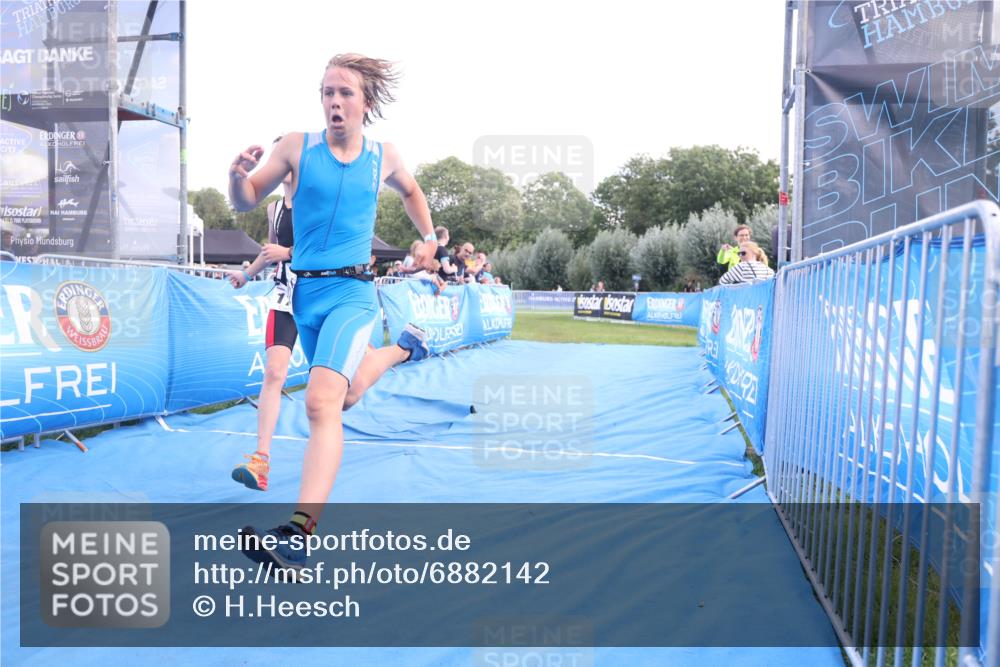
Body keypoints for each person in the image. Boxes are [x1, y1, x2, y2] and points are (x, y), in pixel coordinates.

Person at [228, 53, 439, 570]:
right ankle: (400, 349)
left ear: (365, 103)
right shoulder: (296, 147)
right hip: (305, 296)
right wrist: (236, 175)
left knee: (321, 402)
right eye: (327, 92)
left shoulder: (383, 156)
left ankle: (299, 532)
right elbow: (246, 199)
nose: (334, 101)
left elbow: (412, 192)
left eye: (344, 92)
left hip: (351, 293)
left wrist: (429, 237)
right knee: (346, 398)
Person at [226, 149, 298, 492]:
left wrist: (290, 254)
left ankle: (402, 350)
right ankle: (261, 460)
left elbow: (334, 248)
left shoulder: (316, 201)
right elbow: (271, 249)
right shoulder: (273, 208)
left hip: (322, 300)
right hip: (286, 299)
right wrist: (247, 274)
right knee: (274, 373)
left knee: (348, 393)